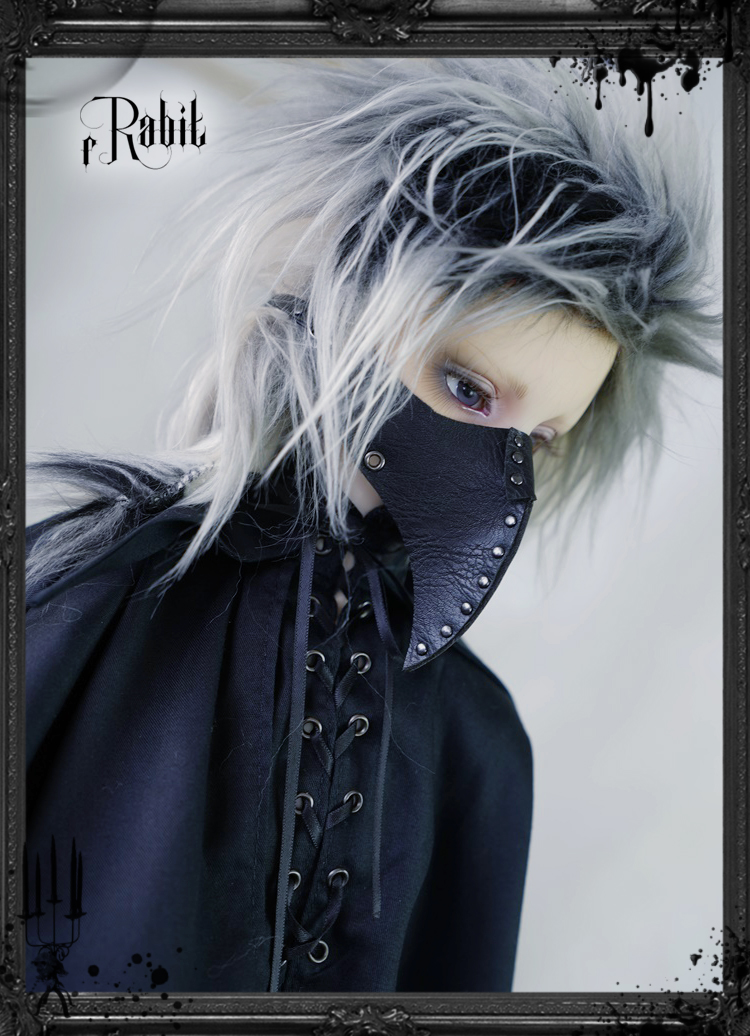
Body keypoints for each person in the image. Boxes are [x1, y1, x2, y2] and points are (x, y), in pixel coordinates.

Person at [25, 57, 720, 995]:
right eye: (467, 387)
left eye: (540, 439)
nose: (502, 474)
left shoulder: (478, 747)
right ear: (347, 307)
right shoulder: (94, 595)